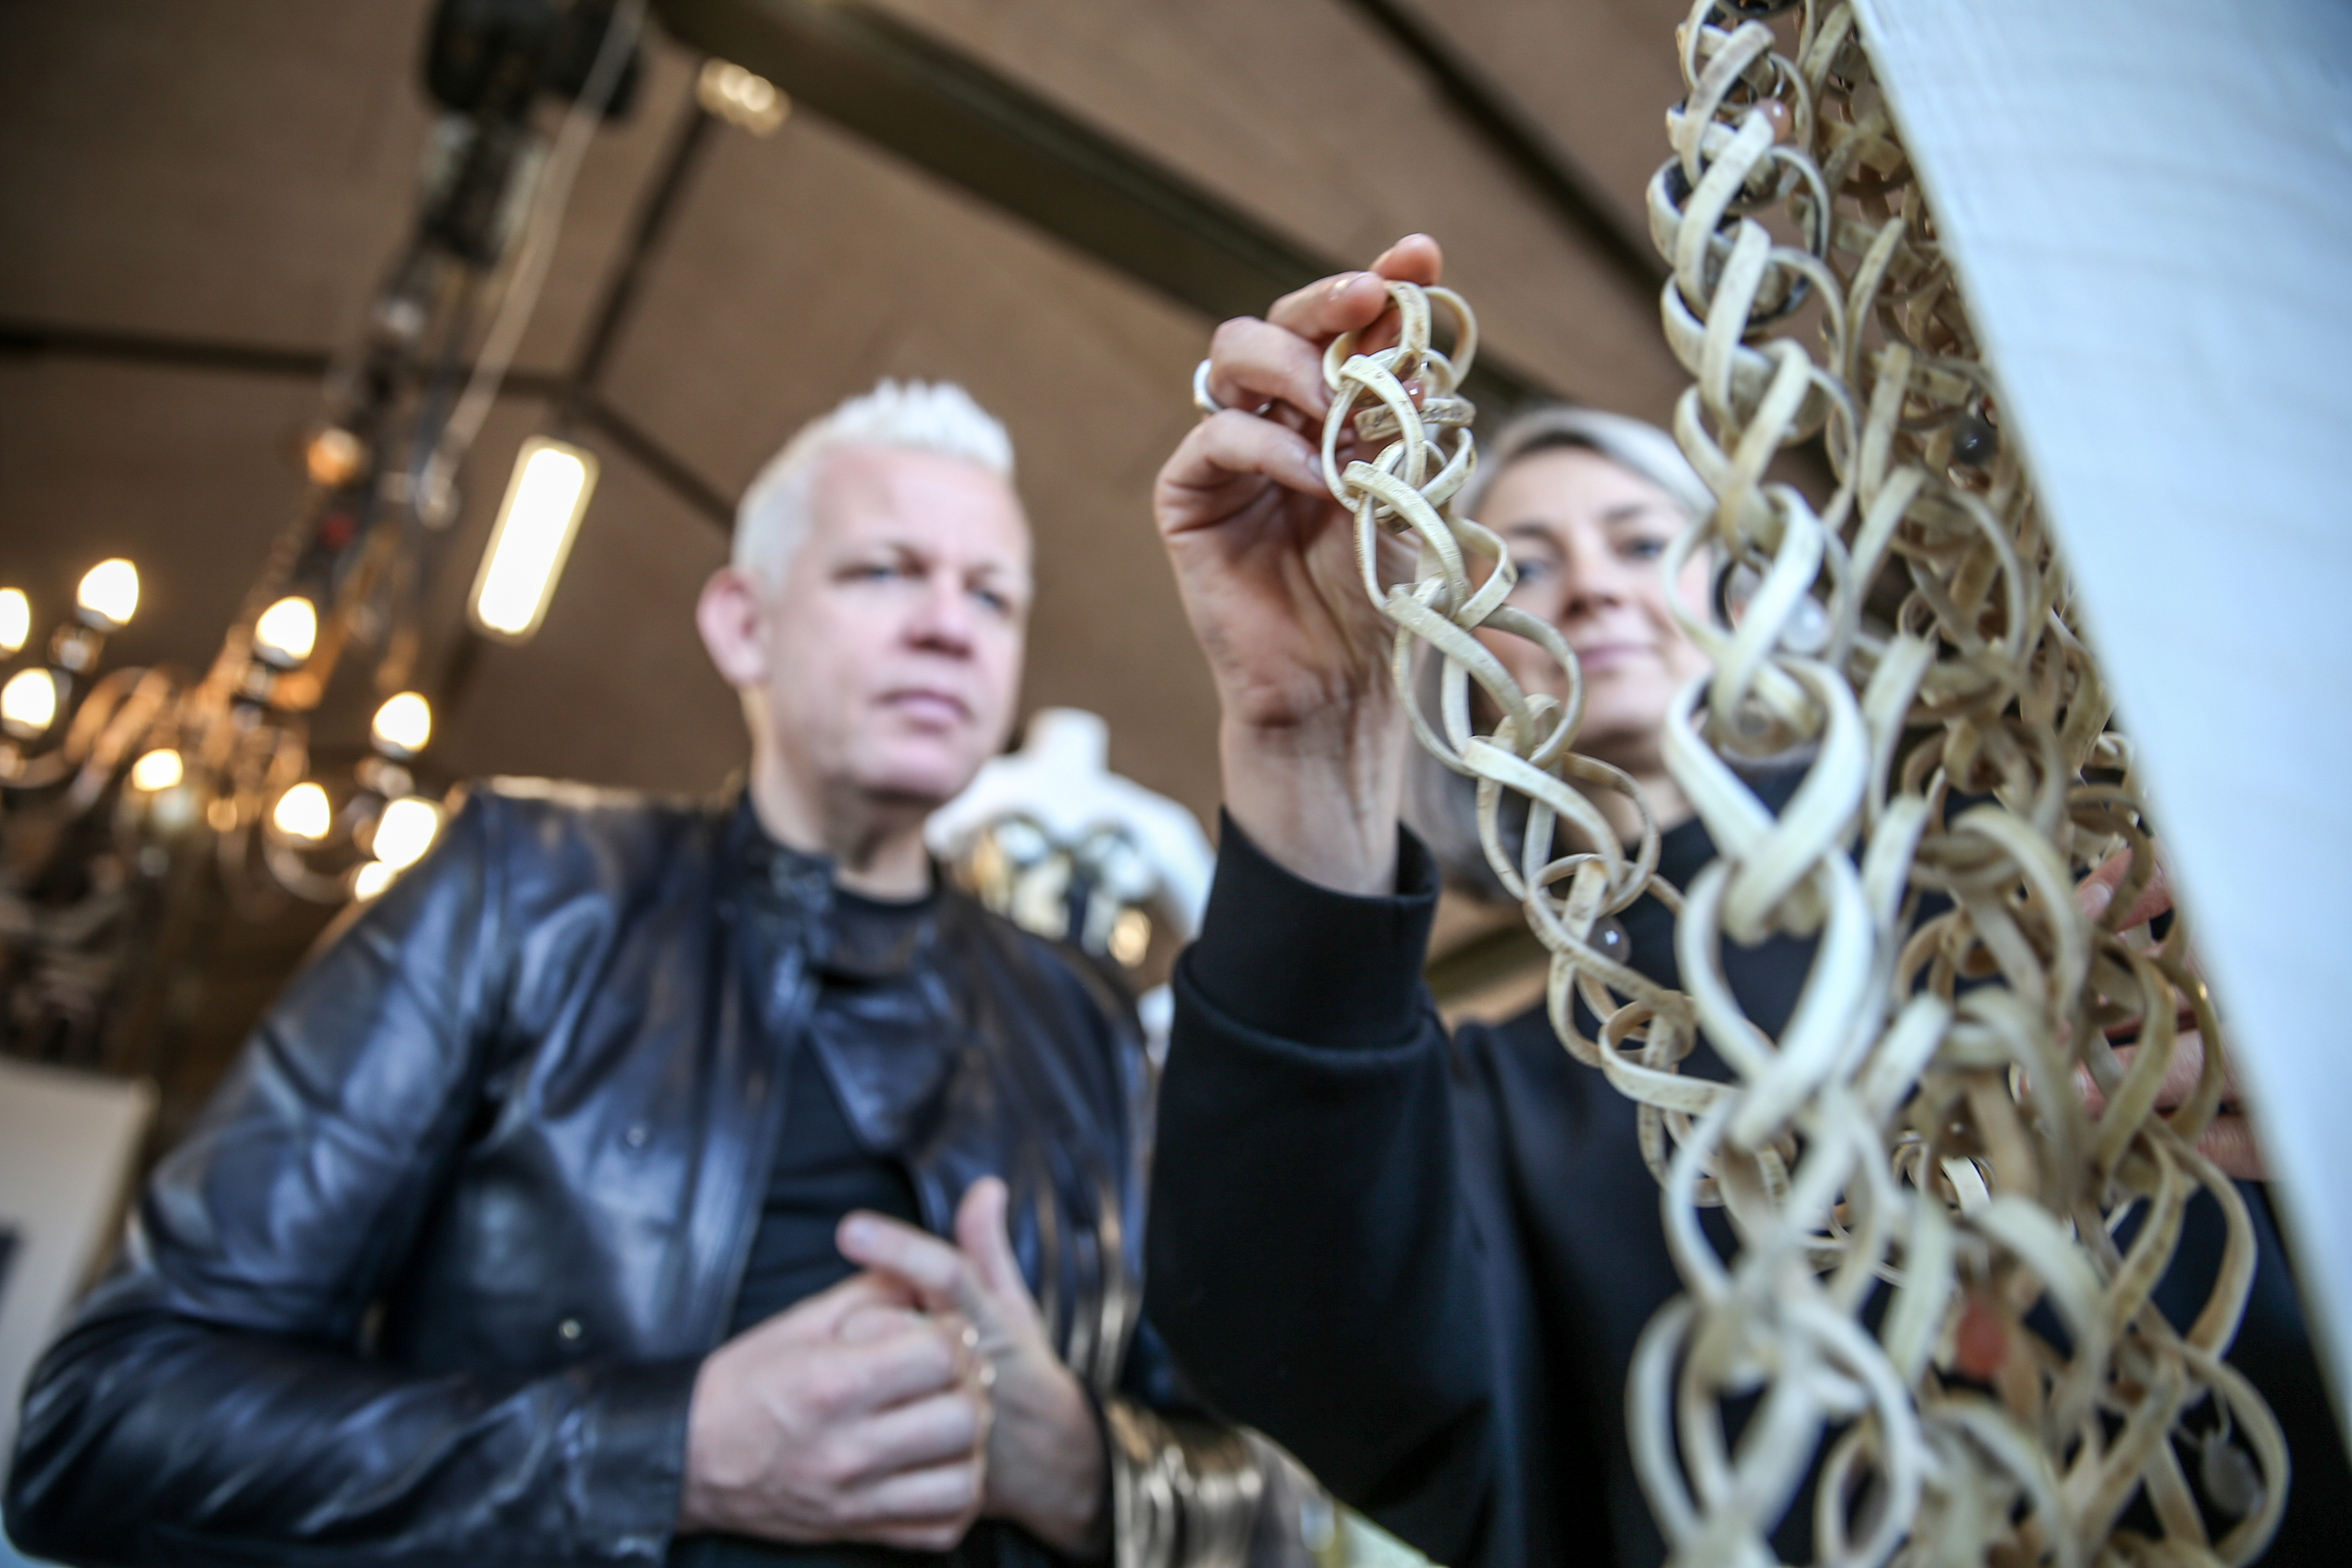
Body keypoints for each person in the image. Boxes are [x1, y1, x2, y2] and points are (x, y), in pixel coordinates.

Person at [1139, 236, 2350, 1568]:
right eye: (1522, 564)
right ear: (1448, 641)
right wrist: (1308, 730)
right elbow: (1289, 1324)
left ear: (1747, 590)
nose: (1594, 583)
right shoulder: (1480, 1113)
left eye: (1643, 540)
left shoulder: (2024, 894)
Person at [5, 380, 1288, 1567]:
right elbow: (104, 1420)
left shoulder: (1087, 1026)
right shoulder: (522, 890)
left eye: (993, 596)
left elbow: (1279, 1499)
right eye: (886, 570)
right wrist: (666, 1454)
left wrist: (1086, 1473)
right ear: (743, 624)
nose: (950, 627)